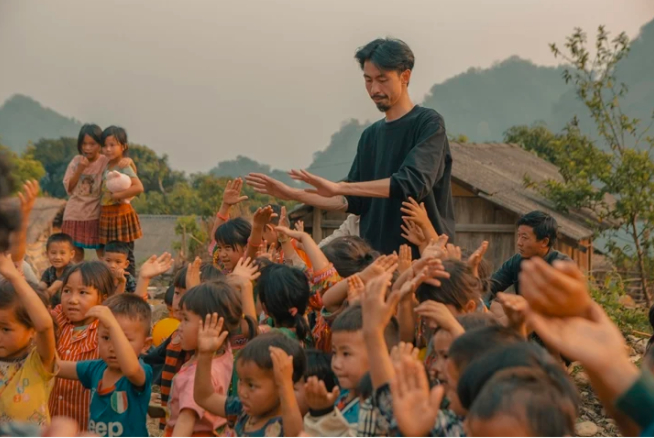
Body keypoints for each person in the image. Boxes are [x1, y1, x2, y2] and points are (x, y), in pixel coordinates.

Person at [247, 38, 455, 257]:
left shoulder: (428, 123)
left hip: (424, 261)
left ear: (405, 76)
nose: (374, 89)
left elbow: (412, 183)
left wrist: (340, 187)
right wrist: (293, 194)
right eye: (368, 80)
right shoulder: (370, 137)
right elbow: (353, 200)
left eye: (382, 79)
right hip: (373, 263)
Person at [57, 294, 153, 437]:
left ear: (145, 345)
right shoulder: (95, 369)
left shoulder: (142, 371)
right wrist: (43, 329)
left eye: (121, 339)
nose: (113, 347)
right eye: (106, 337)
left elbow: (131, 370)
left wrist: (112, 325)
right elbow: (55, 367)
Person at [194, 331, 306, 437]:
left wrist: (285, 385)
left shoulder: (282, 427)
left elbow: (296, 435)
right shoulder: (241, 410)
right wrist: (205, 355)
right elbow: (205, 397)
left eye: (251, 385)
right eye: (240, 381)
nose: (242, 392)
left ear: (280, 386)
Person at [49, 261, 115, 430]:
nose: (72, 300)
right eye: (67, 291)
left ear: (104, 298)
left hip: (84, 424)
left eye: (83, 292)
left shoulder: (105, 332)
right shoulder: (59, 320)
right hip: (51, 419)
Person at [61, 124, 133, 262]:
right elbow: (69, 188)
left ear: (100, 145)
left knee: (103, 254)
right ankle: (77, 281)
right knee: (75, 256)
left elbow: (122, 166)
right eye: (84, 144)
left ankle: (105, 281)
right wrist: (80, 169)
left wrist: (129, 160)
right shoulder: (76, 161)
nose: (87, 148)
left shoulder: (105, 161)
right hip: (74, 215)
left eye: (92, 144)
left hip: (96, 216)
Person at [0, 252, 56, 425]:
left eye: (5, 329)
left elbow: (45, 325)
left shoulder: (38, 363)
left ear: (32, 330)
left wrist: (15, 278)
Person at [489, 211, 571, 301]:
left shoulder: (563, 266)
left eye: (524, 238)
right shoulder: (516, 261)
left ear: (544, 242)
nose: (519, 243)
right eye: (519, 236)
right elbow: (491, 286)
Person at [98, 126, 144, 276]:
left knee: (125, 254)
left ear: (123, 147)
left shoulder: (123, 165)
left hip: (121, 216)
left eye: (112, 145)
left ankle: (130, 287)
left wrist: (117, 196)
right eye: (105, 146)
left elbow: (138, 187)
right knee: (111, 254)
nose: (108, 149)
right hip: (108, 216)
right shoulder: (108, 165)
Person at [39, 233, 76, 305]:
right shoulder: (49, 271)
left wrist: (40, 297)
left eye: (62, 253)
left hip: (71, 304)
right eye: (53, 253)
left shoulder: (72, 269)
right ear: (47, 254)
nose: (57, 257)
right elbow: (40, 287)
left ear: (71, 254)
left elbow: (53, 289)